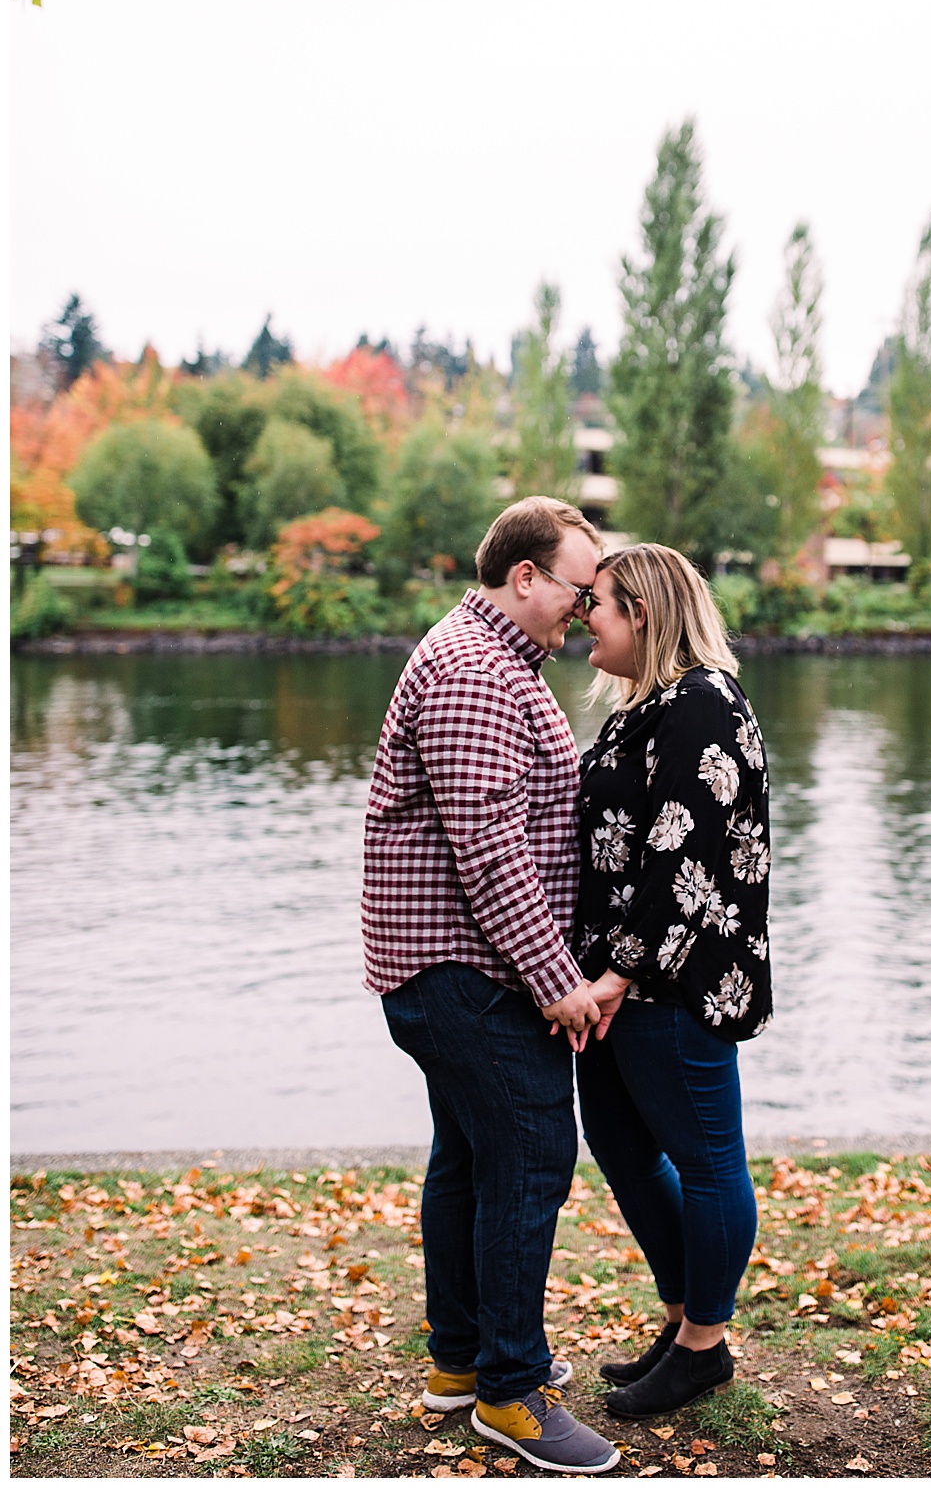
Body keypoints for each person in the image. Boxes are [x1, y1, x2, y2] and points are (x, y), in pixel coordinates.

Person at [361, 496, 619, 1475]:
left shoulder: (495, 659)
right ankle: (511, 1392)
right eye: (575, 586)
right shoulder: (474, 675)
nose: (583, 607)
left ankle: (460, 1362)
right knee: (531, 1153)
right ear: (523, 576)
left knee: (469, 1159)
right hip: (465, 972)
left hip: (450, 968)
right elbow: (490, 850)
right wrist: (558, 982)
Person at [572, 543, 772, 1419]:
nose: (586, 619)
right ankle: (684, 1316)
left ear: (645, 612)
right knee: (620, 1147)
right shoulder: (640, 707)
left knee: (707, 1158)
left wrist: (619, 972)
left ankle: (704, 1344)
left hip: (674, 983)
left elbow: (678, 851)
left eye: (600, 606)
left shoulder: (701, 702)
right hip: (616, 978)